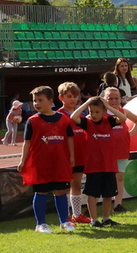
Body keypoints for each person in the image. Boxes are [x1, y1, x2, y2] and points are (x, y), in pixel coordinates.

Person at [17, 86, 75, 233]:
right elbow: (27, 142)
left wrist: (72, 156)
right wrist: (23, 160)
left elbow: (69, 138)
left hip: (59, 162)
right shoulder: (32, 121)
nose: (36, 103)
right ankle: (41, 224)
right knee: (41, 192)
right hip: (40, 163)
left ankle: (65, 221)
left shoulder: (64, 119)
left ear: (50, 101)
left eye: (40, 100)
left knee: (60, 191)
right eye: (34, 100)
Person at [70, 95, 128, 228]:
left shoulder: (109, 121)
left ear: (103, 112)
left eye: (97, 112)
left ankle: (106, 218)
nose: (94, 115)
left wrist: (107, 106)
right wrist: (87, 103)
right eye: (91, 112)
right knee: (93, 194)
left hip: (108, 165)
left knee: (108, 194)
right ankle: (94, 220)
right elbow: (73, 117)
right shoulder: (87, 122)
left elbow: (123, 118)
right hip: (93, 166)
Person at [101, 86, 137, 212]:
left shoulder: (124, 111)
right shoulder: (101, 113)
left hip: (121, 149)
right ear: (104, 99)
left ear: (120, 99)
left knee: (120, 177)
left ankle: (118, 204)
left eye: (116, 98)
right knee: (104, 177)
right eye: (110, 98)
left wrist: (131, 133)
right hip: (106, 151)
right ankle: (96, 202)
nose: (114, 101)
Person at [56, 82, 90, 224]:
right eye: (69, 96)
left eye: (75, 97)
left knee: (77, 184)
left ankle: (77, 214)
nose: (73, 99)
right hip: (66, 156)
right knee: (65, 187)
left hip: (80, 154)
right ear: (61, 97)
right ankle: (66, 215)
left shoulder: (80, 114)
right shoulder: (58, 115)